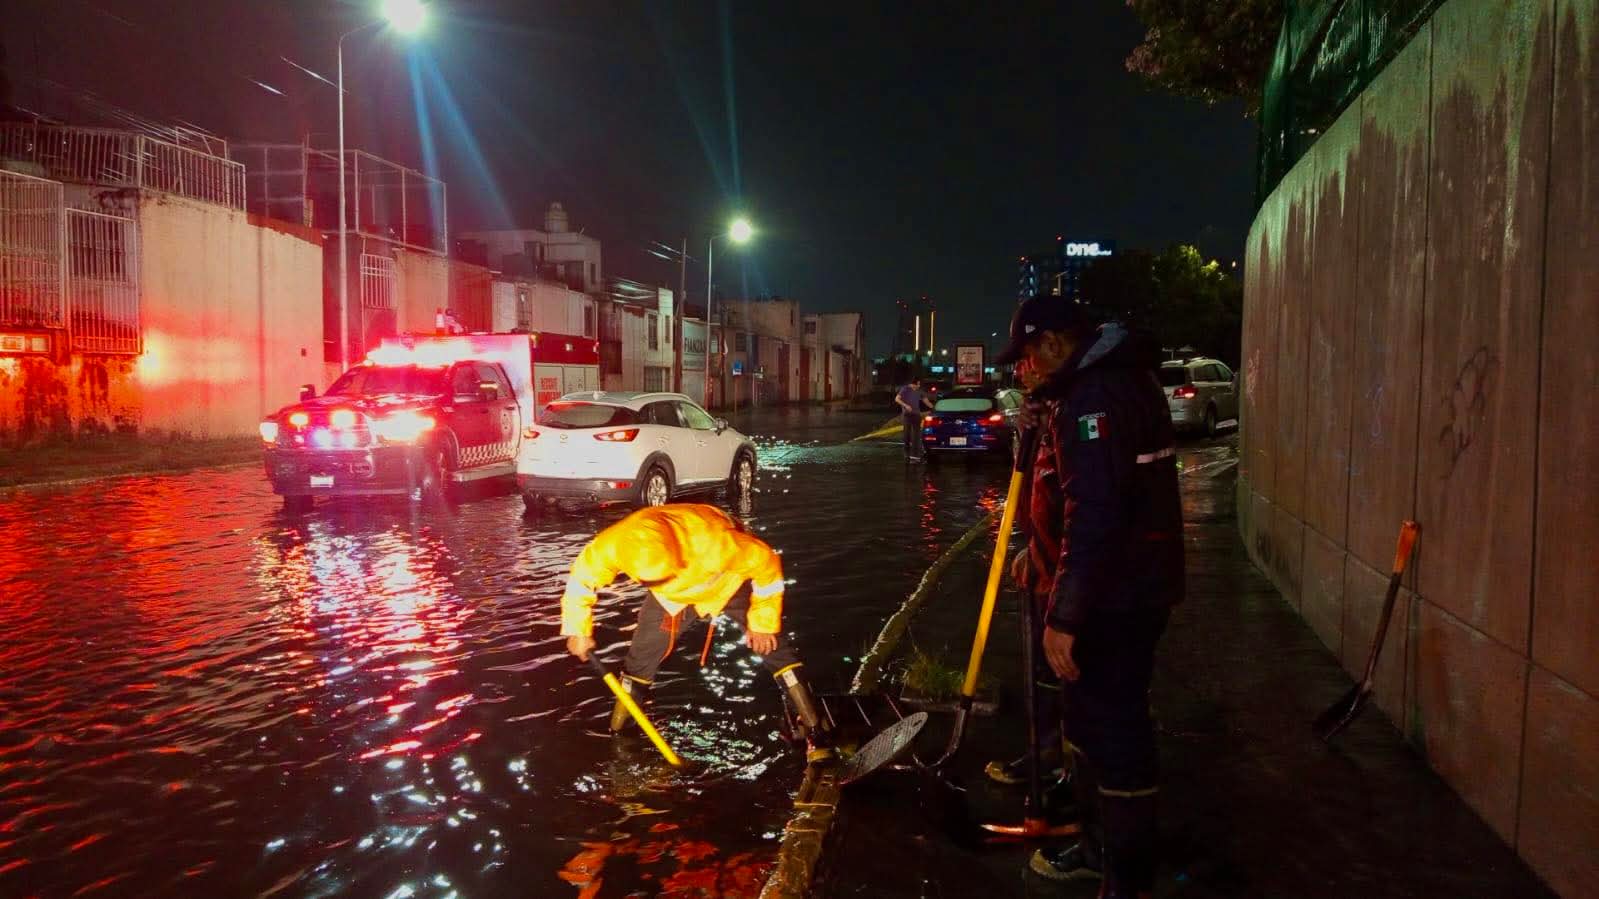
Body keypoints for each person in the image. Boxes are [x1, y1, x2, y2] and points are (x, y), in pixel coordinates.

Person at [993, 296, 1184, 899]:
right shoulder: (1089, 389)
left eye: (1027, 355)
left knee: (1113, 729)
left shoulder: (1096, 397)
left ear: (1053, 342)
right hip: (1115, 587)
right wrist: (1040, 553)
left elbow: (1098, 511)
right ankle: (1100, 850)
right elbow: (1063, 490)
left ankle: (1123, 881)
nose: (1024, 369)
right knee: (1092, 725)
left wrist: (1066, 614)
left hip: (1117, 598)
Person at [560, 503, 835, 762]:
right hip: (670, 599)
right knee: (639, 660)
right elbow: (582, 579)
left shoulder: (716, 541)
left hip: (726, 584)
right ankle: (621, 738)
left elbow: (767, 566)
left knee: (772, 645)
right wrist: (577, 627)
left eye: (665, 574)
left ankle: (814, 730)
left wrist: (762, 623)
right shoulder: (615, 543)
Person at [895, 376, 933, 461]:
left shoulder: (919, 390)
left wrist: (934, 408)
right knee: (907, 434)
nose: (919, 386)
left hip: (916, 415)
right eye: (918, 384)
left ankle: (915, 454)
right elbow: (897, 399)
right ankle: (906, 452)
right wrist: (905, 405)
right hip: (907, 415)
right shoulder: (905, 389)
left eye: (919, 384)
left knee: (916, 435)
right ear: (913, 384)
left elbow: (926, 401)